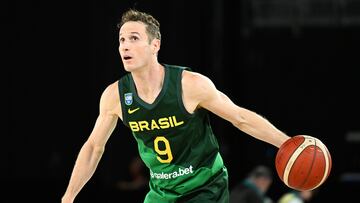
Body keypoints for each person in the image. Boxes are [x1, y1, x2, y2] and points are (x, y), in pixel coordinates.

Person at [61, 8, 290, 203]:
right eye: (121, 39)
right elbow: (93, 147)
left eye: (134, 38)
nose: (125, 46)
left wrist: (287, 144)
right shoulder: (115, 96)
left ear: (155, 45)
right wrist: (68, 197)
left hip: (205, 187)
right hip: (162, 192)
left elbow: (240, 117)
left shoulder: (189, 85)